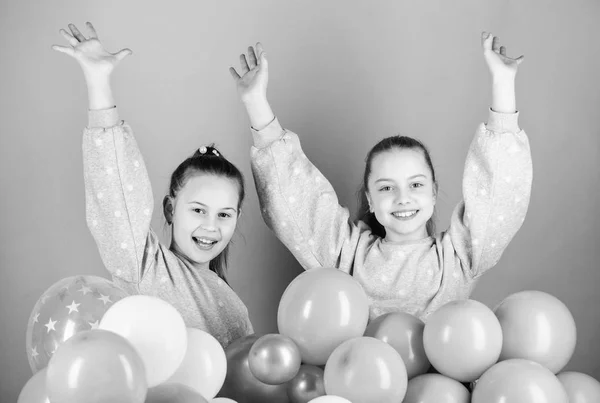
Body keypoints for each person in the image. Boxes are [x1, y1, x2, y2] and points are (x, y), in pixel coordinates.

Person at [230, 32, 532, 321]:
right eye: (387, 187)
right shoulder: (347, 255)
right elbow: (294, 202)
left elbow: (498, 196)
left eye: (416, 184)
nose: (403, 198)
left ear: (433, 193)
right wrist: (255, 102)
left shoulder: (459, 256)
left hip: (443, 376)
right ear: (370, 200)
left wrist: (504, 84)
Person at [53, 22, 253, 347]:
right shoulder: (146, 268)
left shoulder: (235, 308)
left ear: (237, 219)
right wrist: (99, 82)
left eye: (224, 214)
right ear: (170, 209)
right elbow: (118, 198)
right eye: (199, 209)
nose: (210, 226)